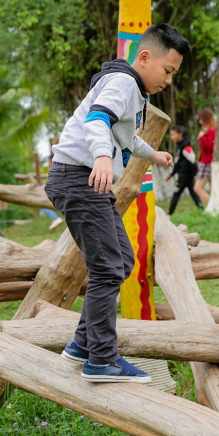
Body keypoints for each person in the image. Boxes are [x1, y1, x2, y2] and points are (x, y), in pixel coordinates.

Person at [47, 23, 185, 383]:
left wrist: (153, 154)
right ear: (144, 57)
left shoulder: (133, 90)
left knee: (121, 259)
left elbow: (125, 136)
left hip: (82, 179)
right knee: (108, 266)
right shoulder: (123, 83)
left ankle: (83, 343)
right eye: (167, 71)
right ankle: (102, 359)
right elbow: (98, 121)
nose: (169, 80)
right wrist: (102, 158)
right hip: (80, 177)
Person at [165, 125, 202, 214]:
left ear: (180, 134)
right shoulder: (181, 145)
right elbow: (179, 163)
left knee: (176, 193)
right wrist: (171, 174)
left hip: (184, 175)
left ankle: (169, 214)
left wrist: (196, 174)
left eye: (173, 134)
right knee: (193, 193)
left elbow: (192, 159)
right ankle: (201, 209)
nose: (172, 137)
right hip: (186, 174)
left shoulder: (185, 144)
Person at [194, 107, 216, 206]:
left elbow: (211, 147)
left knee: (197, 188)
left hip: (209, 163)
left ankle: (212, 207)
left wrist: (202, 137)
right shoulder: (210, 130)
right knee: (213, 189)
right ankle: (214, 208)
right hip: (208, 162)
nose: (200, 121)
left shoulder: (212, 130)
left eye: (201, 119)